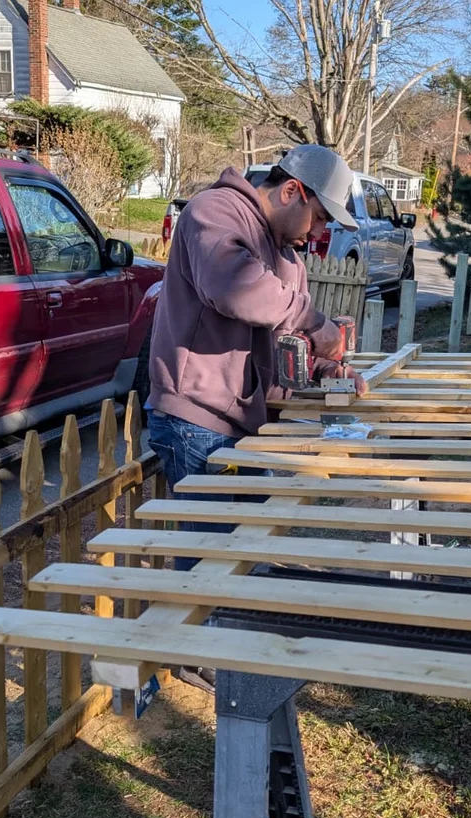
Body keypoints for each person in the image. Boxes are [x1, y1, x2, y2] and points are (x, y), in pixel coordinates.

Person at [146, 145, 363, 690]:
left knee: (242, 542)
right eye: (317, 217)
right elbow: (236, 291)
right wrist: (316, 324)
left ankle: (218, 644)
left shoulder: (286, 254)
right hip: (194, 416)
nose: (318, 235)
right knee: (214, 546)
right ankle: (205, 655)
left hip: (241, 419)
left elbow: (287, 337)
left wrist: (326, 367)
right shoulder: (213, 213)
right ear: (291, 190)